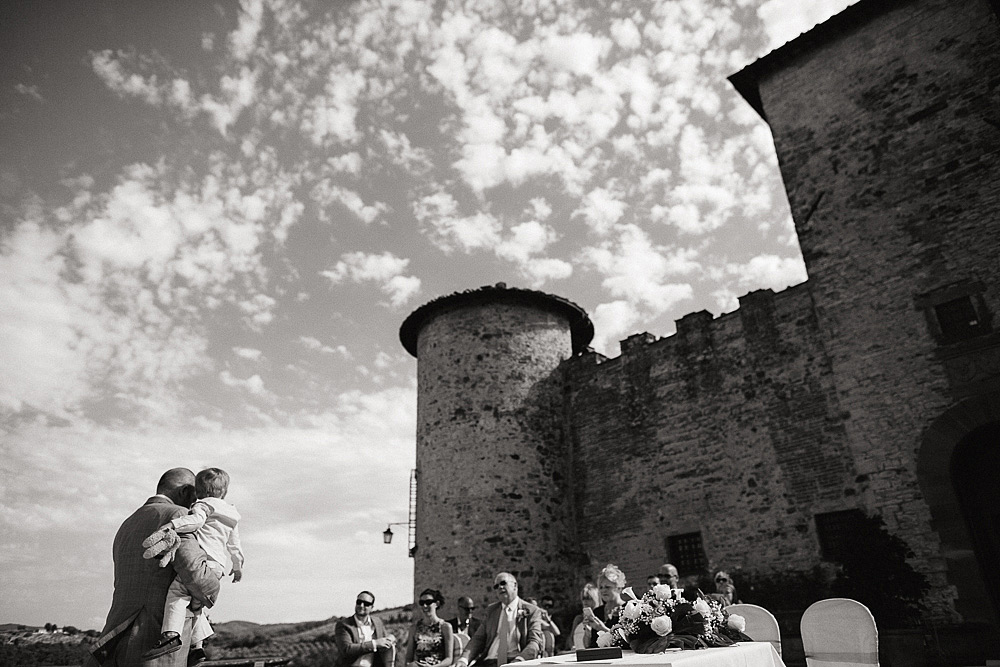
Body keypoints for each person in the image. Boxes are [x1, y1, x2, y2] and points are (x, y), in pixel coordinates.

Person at [87, 468, 221, 667]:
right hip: (156, 644)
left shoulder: (127, 524)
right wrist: (215, 582)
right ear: (185, 491)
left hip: (115, 641)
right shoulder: (179, 516)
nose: (196, 502)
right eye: (195, 495)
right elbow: (195, 574)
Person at [143, 468, 245, 660]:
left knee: (178, 594)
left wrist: (173, 525)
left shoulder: (203, 506)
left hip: (202, 561)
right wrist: (238, 567)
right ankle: (197, 646)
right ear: (224, 492)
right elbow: (235, 545)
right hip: (218, 568)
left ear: (198, 492)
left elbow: (196, 522)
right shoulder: (232, 513)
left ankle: (170, 636)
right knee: (195, 605)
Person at [454, 572, 543, 667]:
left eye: (503, 583)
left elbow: (535, 642)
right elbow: (478, 639)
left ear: (515, 585)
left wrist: (520, 661)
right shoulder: (492, 610)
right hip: (489, 661)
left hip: (515, 660)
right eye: (496, 586)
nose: (500, 587)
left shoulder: (532, 611)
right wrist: (463, 660)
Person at [336, 591, 397, 667]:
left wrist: (391, 638)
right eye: (359, 602)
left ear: (372, 607)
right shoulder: (344, 624)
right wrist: (374, 644)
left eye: (366, 604)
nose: (361, 605)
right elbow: (347, 649)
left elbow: (385, 639)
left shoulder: (377, 622)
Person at [406, 588, 454, 667]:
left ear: (437, 604)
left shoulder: (445, 627)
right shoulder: (414, 628)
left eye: (428, 602)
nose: (424, 606)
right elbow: (408, 658)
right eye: (422, 603)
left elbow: (449, 659)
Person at [583, 564, 626, 647]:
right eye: (601, 587)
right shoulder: (597, 612)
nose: (603, 590)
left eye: (607, 587)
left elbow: (627, 642)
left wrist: (602, 629)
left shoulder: (629, 609)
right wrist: (588, 632)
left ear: (618, 588)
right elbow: (588, 646)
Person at [568, 583, 600, 650]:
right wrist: (572, 646)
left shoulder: (599, 619)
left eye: (588, 598)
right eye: (583, 598)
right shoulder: (578, 619)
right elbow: (571, 638)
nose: (585, 601)